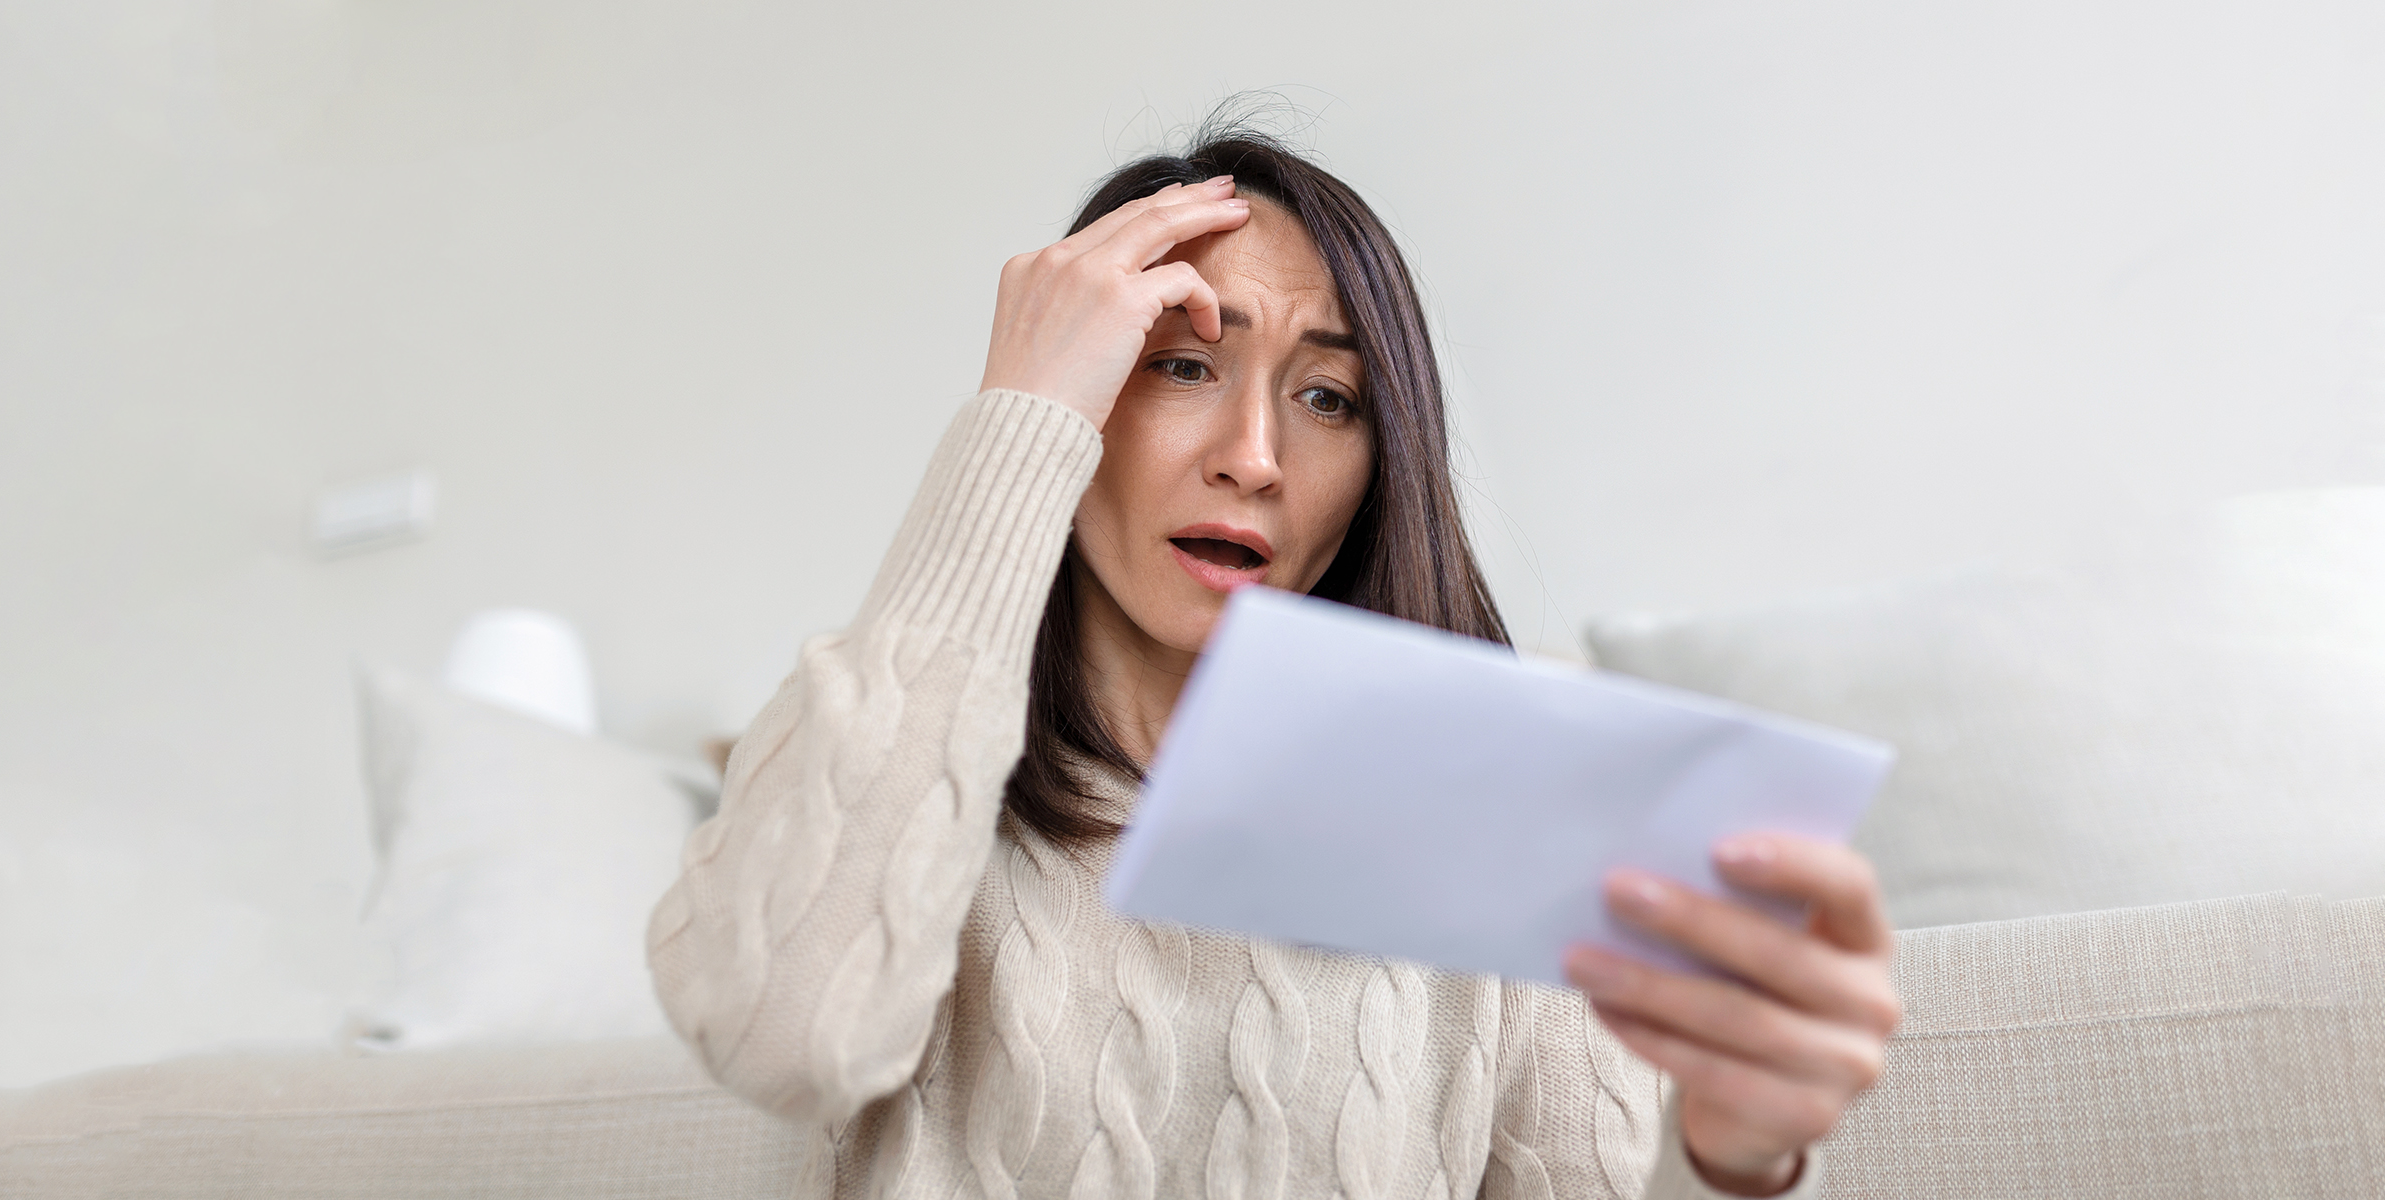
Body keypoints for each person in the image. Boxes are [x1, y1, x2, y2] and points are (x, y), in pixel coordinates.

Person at [648, 125, 1900, 1200]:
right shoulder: (876, 745)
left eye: (1330, 399)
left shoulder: (1505, 817)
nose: (1255, 454)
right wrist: (1016, 416)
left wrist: (1732, 1162)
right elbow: (785, 1040)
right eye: (1182, 365)